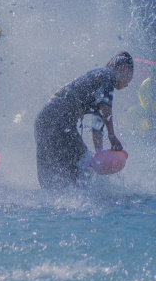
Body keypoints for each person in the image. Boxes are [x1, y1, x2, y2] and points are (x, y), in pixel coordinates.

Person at [34, 53, 134, 189]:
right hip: (58, 122)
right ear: (126, 68)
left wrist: (100, 154)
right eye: (130, 78)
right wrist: (112, 136)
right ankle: (82, 203)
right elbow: (106, 109)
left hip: (44, 121)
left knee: (52, 180)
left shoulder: (99, 80)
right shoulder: (108, 76)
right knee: (84, 165)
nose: (128, 85)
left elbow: (97, 126)